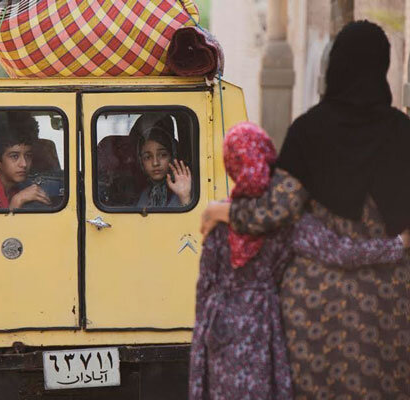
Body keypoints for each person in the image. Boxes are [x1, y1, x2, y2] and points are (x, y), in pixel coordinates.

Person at [200, 21, 410, 398]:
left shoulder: (310, 130)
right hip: (387, 303)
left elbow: (273, 211)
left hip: (315, 305)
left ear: (335, 67)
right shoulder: (402, 133)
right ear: (382, 67)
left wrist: (222, 211)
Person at [0, 112, 51, 209]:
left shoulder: (24, 186)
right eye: (14, 156)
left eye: (28, 156)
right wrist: (17, 201)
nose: (24, 164)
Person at [136, 124, 192, 208]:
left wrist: (185, 197)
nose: (155, 163)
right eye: (147, 157)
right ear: (141, 161)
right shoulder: (145, 195)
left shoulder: (186, 187)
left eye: (163, 155)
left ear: (172, 156)